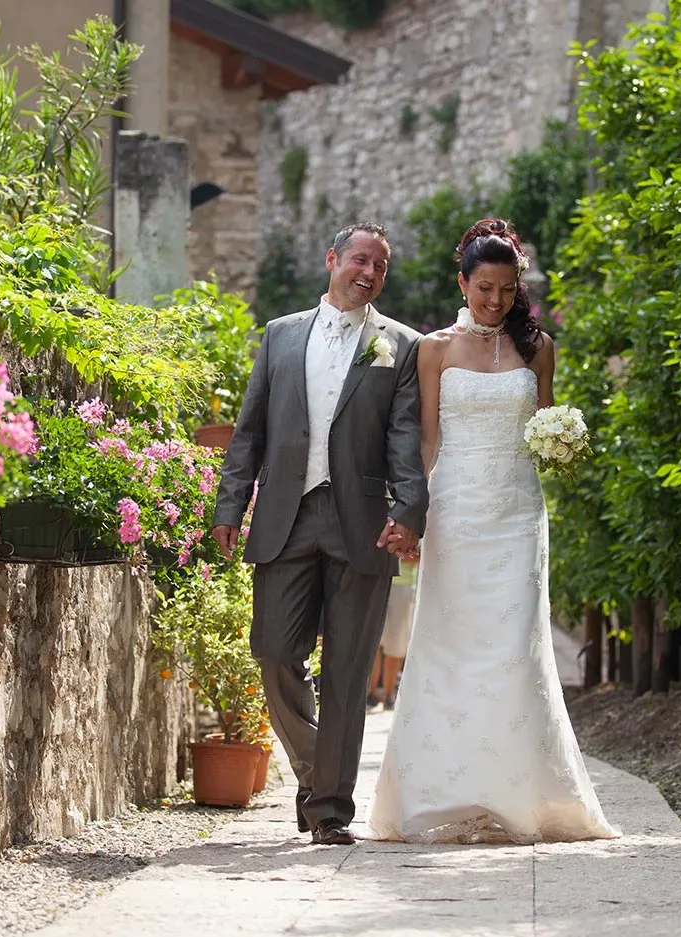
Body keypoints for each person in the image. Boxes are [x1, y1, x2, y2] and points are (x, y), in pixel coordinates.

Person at [364, 219, 619, 844]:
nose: (495, 301)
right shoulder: (434, 349)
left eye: (507, 290)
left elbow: (544, 421)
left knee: (513, 649)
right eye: (484, 289)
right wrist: (411, 515)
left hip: (517, 515)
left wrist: (561, 442)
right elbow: (428, 441)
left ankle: (520, 797)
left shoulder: (540, 348)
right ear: (463, 284)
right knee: (448, 646)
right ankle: (441, 794)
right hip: (455, 511)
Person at [213, 222, 429, 846]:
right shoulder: (280, 335)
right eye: (360, 259)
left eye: (381, 266)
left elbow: (405, 436)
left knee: (346, 672)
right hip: (287, 515)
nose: (370, 273)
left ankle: (330, 809)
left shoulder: (402, 345)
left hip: (363, 523)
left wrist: (410, 509)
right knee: (273, 651)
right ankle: (317, 772)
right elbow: (250, 430)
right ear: (333, 258)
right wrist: (230, 505)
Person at [369, 557, 417, 709]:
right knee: (372, 642)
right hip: (374, 580)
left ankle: (389, 694)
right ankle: (370, 694)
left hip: (403, 584)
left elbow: (419, 557)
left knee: (397, 643)